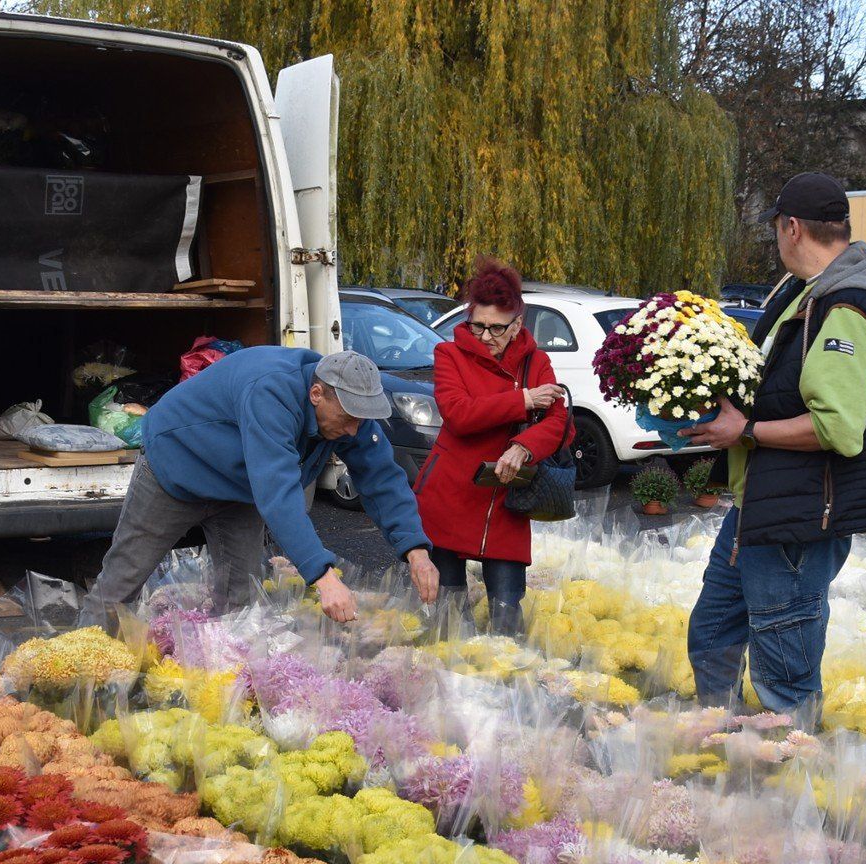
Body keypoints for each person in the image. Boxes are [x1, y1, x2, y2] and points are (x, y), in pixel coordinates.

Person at [680, 172, 866, 711]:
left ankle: (790, 783)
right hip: (761, 506)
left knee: (785, 673)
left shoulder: (846, 307)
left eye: (777, 229)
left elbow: (839, 429)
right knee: (712, 634)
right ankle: (722, 746)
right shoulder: (806, 294)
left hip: (801, 519)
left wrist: (747, 431)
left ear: (792, 228)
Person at [87, 346, 440, 622]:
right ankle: (75, 681)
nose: (353, 431)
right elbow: (279, 492)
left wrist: (415, 549)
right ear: (316, 393)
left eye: (360, 421)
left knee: (241, 596)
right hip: (176, 468)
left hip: (239, 488)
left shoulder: (352, 416)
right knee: (122, 581)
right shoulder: (271, 390)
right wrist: (323, 577)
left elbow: (382, 477)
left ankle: (225, 691)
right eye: (347, 419)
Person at [415, 257, 570, 632]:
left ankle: (504, 683)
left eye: (496, 329)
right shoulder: (449, 355)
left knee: (507, 611)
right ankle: (451, 681)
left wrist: (523, 447)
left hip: (507, 503)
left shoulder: (537, 362)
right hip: (450, 494)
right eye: (477, 326)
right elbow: (459, 414)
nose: (485, 337)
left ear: (518, 324)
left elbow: (559, 420)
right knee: (449, 615)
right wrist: (524, 400)